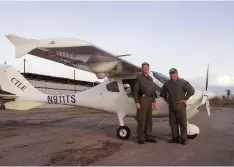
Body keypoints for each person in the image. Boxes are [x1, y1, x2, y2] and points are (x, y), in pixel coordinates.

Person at [161, 68, 195, 145]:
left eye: (174, 73)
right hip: (171, 107)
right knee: (173, 123)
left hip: (180, 107)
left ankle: (183, 139)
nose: (172, 75)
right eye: (171, 74)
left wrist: (185, 99)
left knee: (182, 123)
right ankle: (175, 138)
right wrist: (167, 100)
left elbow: (192, 91)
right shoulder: (167, 84)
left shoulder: (183, 82)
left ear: (177, 74)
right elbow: (163, 93)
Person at [133, 62, 157, 144]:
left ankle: (149, 136)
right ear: (142, 68)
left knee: (149, 120)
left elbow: (153, 91)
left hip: (150, 100)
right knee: (141, 119)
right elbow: (135, 91)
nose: (146, 68)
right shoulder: (139, 78)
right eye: (144, 67)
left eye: (147, 67)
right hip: (142, 100)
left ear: (148, 68)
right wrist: (136, 102)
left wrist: (154, 101)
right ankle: (141, 138)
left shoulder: (151, 79)